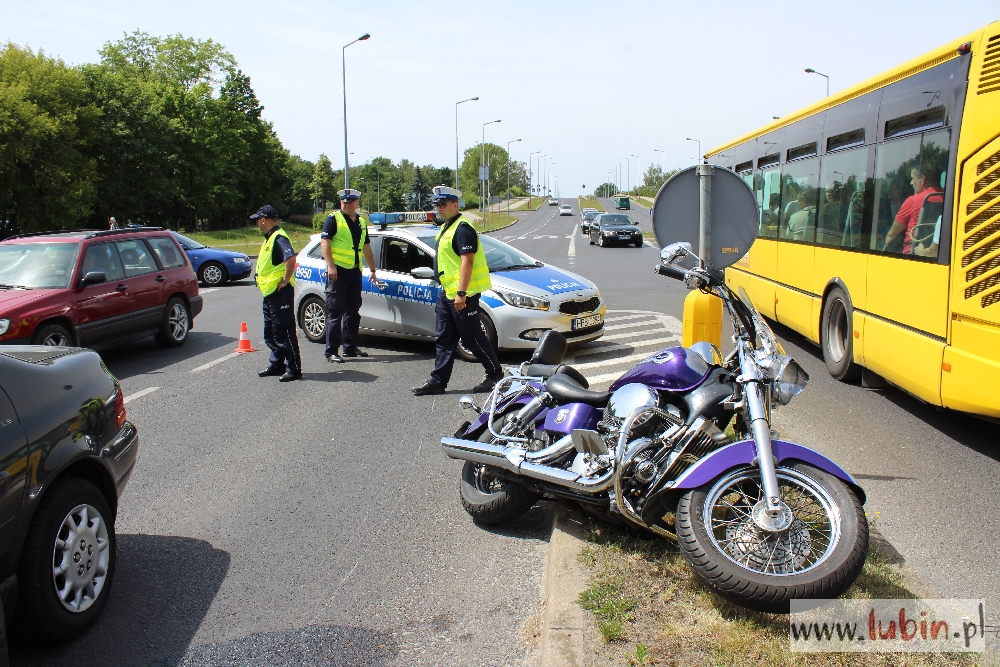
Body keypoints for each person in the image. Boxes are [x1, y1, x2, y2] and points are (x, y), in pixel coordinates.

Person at [412, 186, 502, 396]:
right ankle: (438, 382)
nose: (439, 209)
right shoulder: (447, 227)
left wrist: (461, 293)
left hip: (463, 295)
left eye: (443, 205)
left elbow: (467, 262)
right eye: (437, 205)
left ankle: (496, 375)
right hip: (447, 294)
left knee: (472, 339)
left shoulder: (463, 228)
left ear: (455, 205)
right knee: (444, 338)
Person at [321, 189, 378, 363]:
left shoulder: (361, 222)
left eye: (350, 202)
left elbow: (366, 246)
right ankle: (331, 351)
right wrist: (330, 265)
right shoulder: (333, 219)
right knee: (335, 311)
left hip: (354, 271)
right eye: (343, 202)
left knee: (353, 310)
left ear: (356, 203)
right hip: (338, 271)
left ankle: (350, 347)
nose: (346, 205)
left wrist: (373, 270)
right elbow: (325, 242)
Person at [252, 204, 302, 382]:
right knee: (271, 332)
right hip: (270, 293)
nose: (257, 223)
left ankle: (294, 368)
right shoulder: (270, 237)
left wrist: (285, 280)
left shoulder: (278, 237)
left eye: (258, 220)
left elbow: (290, 258)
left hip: (280, 292)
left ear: (263, 220)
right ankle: (277, 364)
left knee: (284, 331)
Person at [883, 166, 942, 254]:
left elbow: (892, 234)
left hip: (913, 253)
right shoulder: (950, 198)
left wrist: (883, 250)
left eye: (912, 178)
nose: (911, 183)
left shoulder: (913, 201)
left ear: (922, 179)